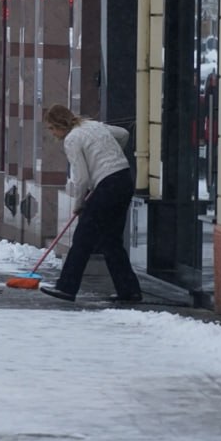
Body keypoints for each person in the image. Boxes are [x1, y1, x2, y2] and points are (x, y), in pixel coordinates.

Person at [39, 104, 142, 304]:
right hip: (124, 180)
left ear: (60, 124)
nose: (52, 133)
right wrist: (109, 156)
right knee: (111, 241)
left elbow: (81, 179)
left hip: (106, 186)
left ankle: (67, 287)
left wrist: (78, 204)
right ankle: (129, 290)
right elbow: (123, 133)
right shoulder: (93, 126)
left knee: (82, 239)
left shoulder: (71, 139)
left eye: (52, 128)